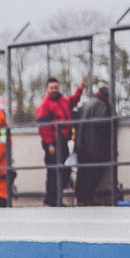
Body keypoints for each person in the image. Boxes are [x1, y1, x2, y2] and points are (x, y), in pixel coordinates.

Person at [36, 77, 84, 206]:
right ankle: (52, 199)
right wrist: (49, 144)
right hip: (53, 141)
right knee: (54, 170)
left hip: (62, 140)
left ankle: (54, 197)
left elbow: (73, 101)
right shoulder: (45, 105)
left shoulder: (62, 100)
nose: (54, 90)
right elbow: (44, 127)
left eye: (56, 87)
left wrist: (80, 89)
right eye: (52, 88)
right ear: (47, 89)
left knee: (63, 169)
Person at [74, 87, 112, 206]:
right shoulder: (101, 105)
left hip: (81, 145)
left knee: (83, 173)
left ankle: (81, 198)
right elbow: (102, 125)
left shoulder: (87, 103)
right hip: (93, 146)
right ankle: (87, 198)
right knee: (93, 172)